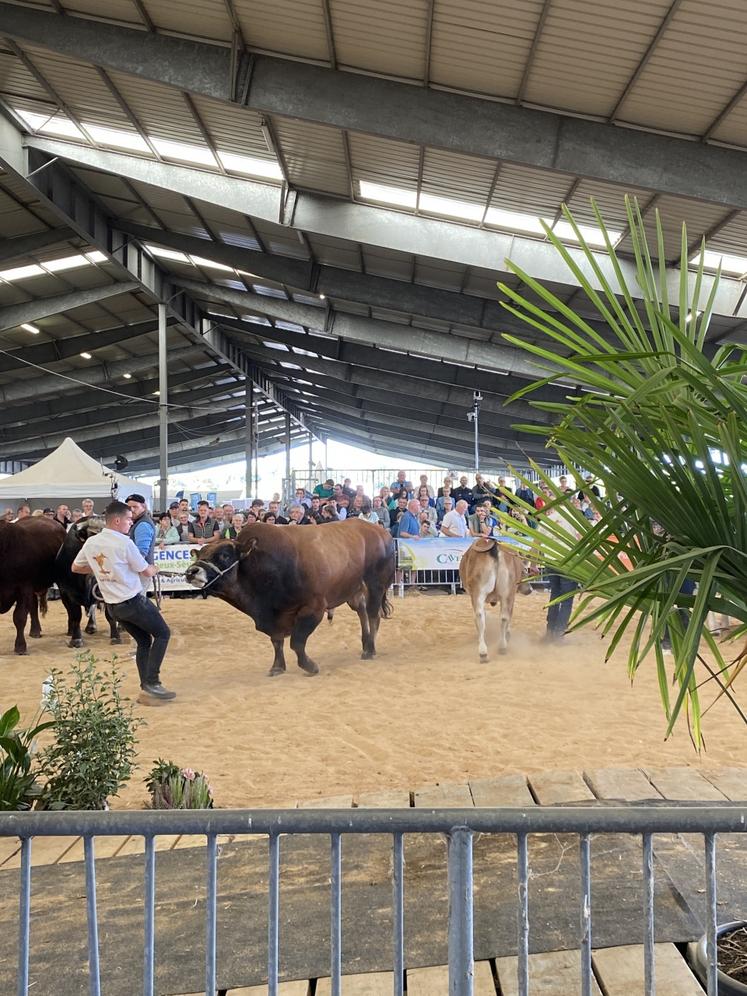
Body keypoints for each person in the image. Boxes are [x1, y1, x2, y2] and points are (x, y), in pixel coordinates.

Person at [72, 501, 173, 703]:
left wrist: (101, 569)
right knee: (163, 633)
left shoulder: (91, 543)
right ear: (117, 521)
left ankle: (146, 686)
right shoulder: (125, 543)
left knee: (144, 641)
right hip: (133, 602)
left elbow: (76, 567)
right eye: (128, 519)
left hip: (113, 606)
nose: (131, 522)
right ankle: (152, 682)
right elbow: (145, 571)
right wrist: (155, 568)